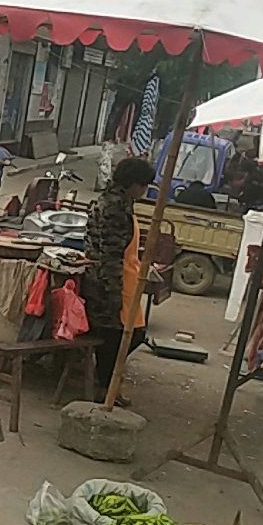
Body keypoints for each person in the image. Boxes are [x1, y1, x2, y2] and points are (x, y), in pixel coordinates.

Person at [84, 155, 157, 402]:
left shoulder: (113, 201)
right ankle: (104, 389)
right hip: (110, 282)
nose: (144, 191)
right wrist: (113, 292)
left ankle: (106, 386)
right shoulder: (115, 209)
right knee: (117, 337)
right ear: (133, 183)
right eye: (143, 185)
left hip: (117, 278)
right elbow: (111, 255)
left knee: (127, 334)